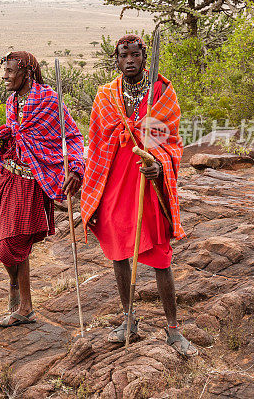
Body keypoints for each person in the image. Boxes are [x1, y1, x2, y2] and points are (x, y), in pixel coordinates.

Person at [80, 34, 198, 357]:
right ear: (116, 60)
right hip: (116, 184)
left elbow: (170, 142)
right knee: (119, 250)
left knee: (160, 254)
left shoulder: (160, 94)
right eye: (123, 55)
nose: (129, 60)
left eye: (135, 55)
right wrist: (83, 178)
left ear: (144, 58)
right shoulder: (106, 97)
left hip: (147, 183)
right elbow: (97, 142)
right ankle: (128, 319)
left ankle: (174, 329)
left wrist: (158, 166)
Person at [0, 51, 85, 327]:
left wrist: (75, 168)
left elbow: (71, 136)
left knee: (12, 244)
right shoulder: (13, 101)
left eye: (10, 72)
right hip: (9, 177)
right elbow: (13, 132)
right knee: (9, 245)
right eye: (5, 71)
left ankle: (23, 305)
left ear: (26, 73)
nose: (5, 76)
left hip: (33, 179)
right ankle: (22, 299)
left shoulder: (48, 100)